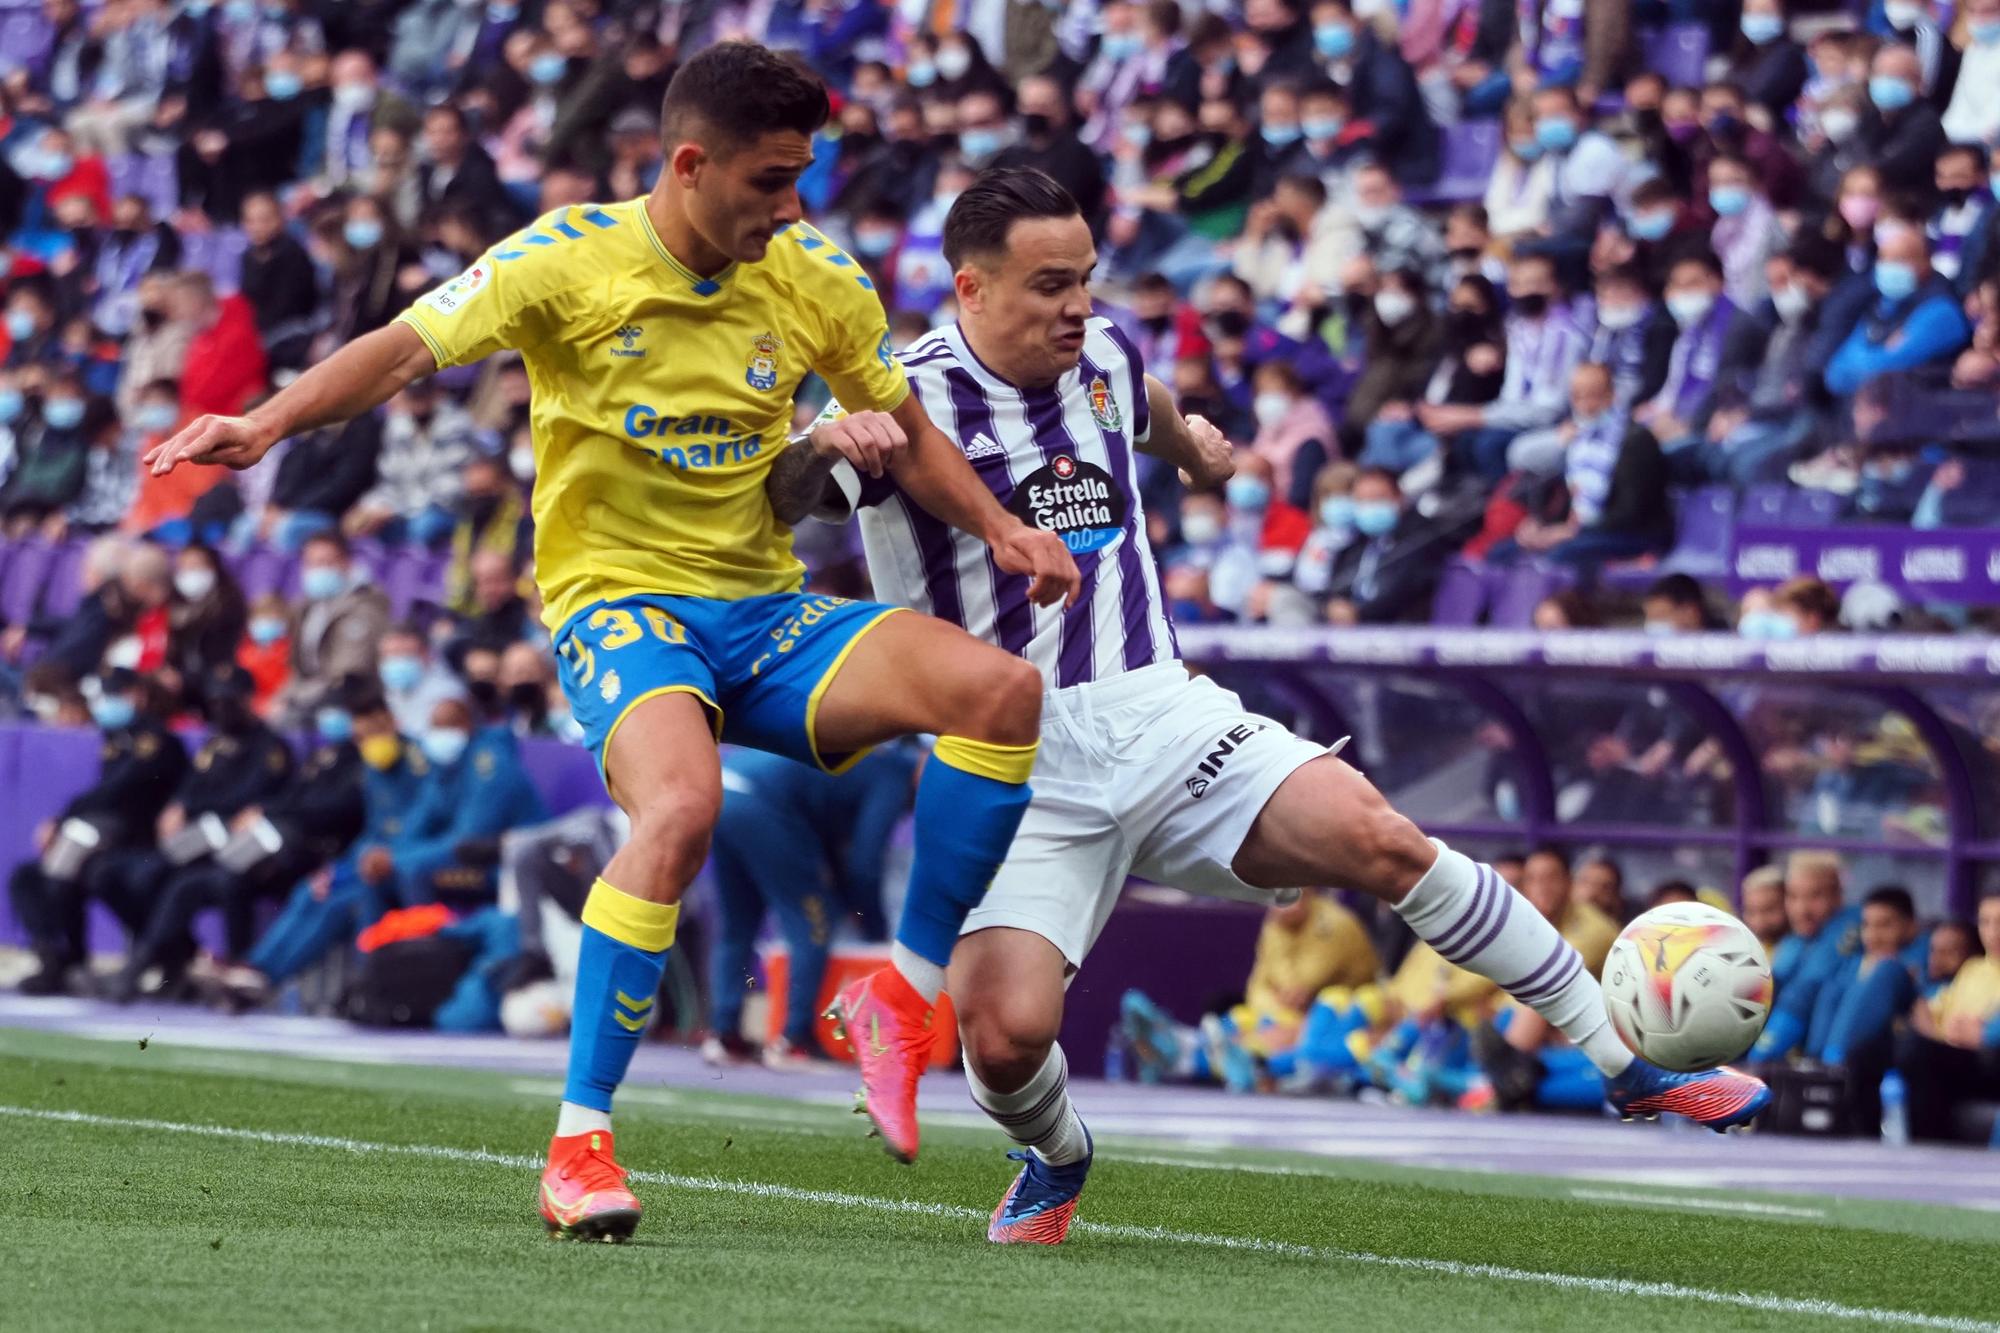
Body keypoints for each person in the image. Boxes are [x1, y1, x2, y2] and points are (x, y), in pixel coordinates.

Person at [146, 42, 1080, 1243]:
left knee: (1000, 691)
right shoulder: (565, 259)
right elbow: (402, 345)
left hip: (762, 611)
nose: (791, 204)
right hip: (621, 608)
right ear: (690, 165)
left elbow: (902, 424)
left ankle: (896, 998)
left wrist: (1001, 527)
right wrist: (266, 424)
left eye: (803, 176)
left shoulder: (813, 276)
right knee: (679, 809)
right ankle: (579, 1143)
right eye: (769, 178)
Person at [807, 167, 1768, 1246]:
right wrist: (815, 452)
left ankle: (1622, 1062)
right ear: (970, 288)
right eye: (1048, 286)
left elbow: (1148, 407)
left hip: (1158, 711)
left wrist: (1195, 448)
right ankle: (1055, 1152)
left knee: (1378, 834)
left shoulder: (1107, 353)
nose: (1078, 305)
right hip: (1010, 767)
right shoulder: (899, 398)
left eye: (1084, 279)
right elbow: (781, 500)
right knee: (1002, 1037)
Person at [110, 678, 369, 1002]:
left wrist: (266, 810)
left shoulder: (351, 759)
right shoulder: (322, 757)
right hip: (258, 844)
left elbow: (334, 810)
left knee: (232, 878)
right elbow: (289, 797)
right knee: (184, 883)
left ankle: (243, 970)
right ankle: (147, 965)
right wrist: (258, 810)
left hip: (308, 852)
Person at [704, 745, 918, 1070]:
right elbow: (865, 863)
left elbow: (833, 844)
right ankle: (795, 1039)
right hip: (765, 804)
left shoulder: (869, 762)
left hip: (724, 789)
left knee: (737, 928)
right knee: (811, 923)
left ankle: (724, 1036)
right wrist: (873, 927)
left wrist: (852, 901)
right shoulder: (894, 772)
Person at [8, 669, 187, 994]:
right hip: (103, 837)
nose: (106, 704)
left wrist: (63, 821)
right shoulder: (116, 740)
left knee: (74, 867)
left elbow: (119, 791)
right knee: (28, 876)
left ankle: (75, 960)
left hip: (136, 842)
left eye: (114, 695)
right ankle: (54, 956)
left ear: (137, 695)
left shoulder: (155, 740)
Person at [1897, 891, 2000, 1142]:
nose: (1993, 932)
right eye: (1985, 922)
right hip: (1953, 1051)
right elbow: (1932, 1014)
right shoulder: (1973, 968)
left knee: (1922, 1054)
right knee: (1878, 1050)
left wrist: (1985, 1034)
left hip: (1988, 1059)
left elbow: (1981, 1034)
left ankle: (1926, 1147)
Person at [1750, 851, 1863, 1061]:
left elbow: (1805, 991)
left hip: (1832, 1061)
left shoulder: (1851, 926)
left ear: (1837, 896)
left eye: (1815, 896)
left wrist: (1756, 1062)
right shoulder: (1793, 943)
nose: (1802, 909)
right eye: (1793, 896)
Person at [271, 530, 390, 728]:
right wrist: (283, 698)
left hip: (350, 701)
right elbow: (298, 670)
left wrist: (299, 704)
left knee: (286, 725)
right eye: (313, 563)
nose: (320, 570)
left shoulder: (364, 607)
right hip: (308, 695)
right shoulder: (307, 607)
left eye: (327, 562)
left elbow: (349, 675)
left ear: (346, 563)